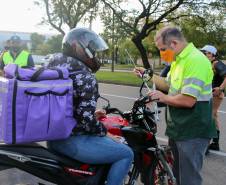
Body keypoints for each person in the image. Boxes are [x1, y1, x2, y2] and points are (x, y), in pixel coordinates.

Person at [46, 27, 134, 185]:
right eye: (91, 49)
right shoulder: (85, 76)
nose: (94, 54)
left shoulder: (53, 69)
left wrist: (92, 116)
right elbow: (86, 120)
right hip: (72, 141)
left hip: (53, 139)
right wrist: (104, 131)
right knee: (126, 153)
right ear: (77, 47)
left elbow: (68, 110)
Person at [134, 26, 216, 185]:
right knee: (177, 175)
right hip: (178, 129)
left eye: (162, 49)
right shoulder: (178, 60)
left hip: (193, 131)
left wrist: (162, 98)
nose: (161, 53)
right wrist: (147, 74)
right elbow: (168, 85)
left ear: (174, 43)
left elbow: (188, 100)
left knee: (188, 179)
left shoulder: (196, 60)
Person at [201, 45, 226, 151]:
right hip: (211, 94)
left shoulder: (217, 63)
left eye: (204, 53)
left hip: (216, 94)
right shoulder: (210, 63)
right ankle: (215, 143)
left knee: (209, 116)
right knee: (213, 116)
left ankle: (206, 144)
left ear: (211, 54)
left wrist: (220, 89)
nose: (202, 55)